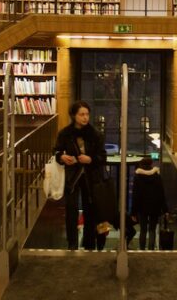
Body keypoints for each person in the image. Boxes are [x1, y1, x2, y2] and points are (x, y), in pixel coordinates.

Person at [53, 100, 106, 250]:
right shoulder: (65, 134)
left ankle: (89, 243)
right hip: (72, 177)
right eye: (81, 114)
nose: (85, 117)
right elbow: (56, 151)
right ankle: (72, 243)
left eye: (87, 114)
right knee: (71, 210)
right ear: (73, 115)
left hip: (91, 177)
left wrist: (90, 159)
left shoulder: (95, 134)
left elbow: (103, 157)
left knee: (91, 210)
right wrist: (62, 157)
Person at [131, 157, 168, 250]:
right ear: (151, 164)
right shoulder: (157, 176)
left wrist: (133, 212)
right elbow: (161, 194)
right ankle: (151, 250)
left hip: (142, 208)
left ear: (141, 165)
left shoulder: (138, 177)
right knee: (152, 230)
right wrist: (165, 209)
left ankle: (142, 249)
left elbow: (135, 195)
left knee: (143, 230)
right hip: (155, 207)